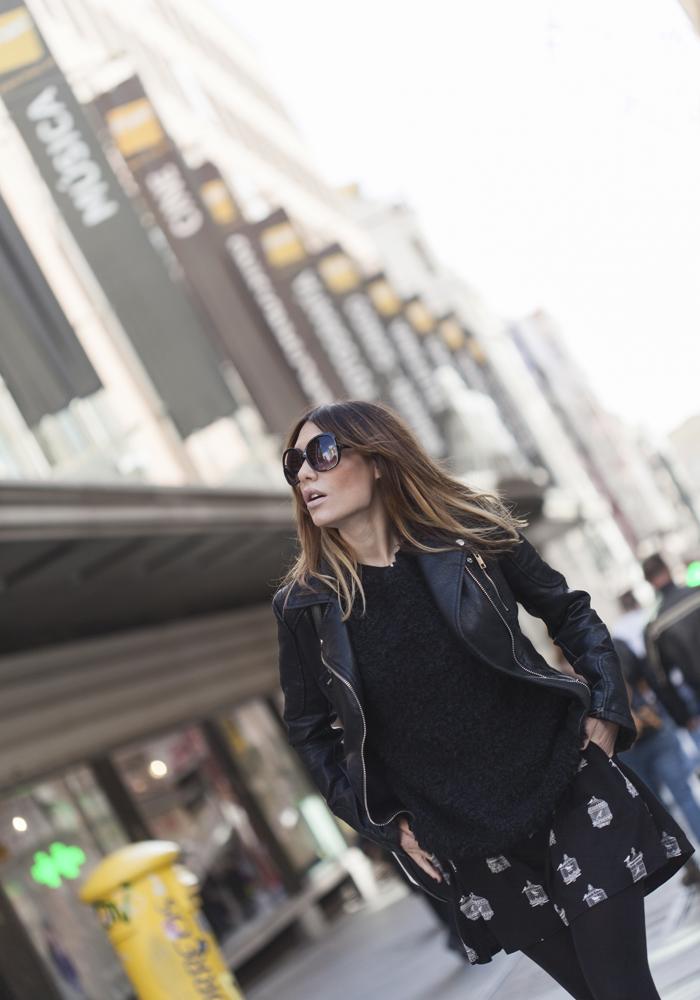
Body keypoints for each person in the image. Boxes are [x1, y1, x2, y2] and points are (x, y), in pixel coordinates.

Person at [272, 400, 694, 1000]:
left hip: (565, 786)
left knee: (622, 989)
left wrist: (605, 709)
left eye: (322, 454)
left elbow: (569, 612)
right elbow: (312, 733)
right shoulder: (306, 608)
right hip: (469, 839)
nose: (306, 474)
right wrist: (389, 826)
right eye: (296, 464)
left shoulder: (471, 534)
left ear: (380, 461)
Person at [642, 553, 700, 744]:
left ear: (649, 582)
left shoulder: (654, 627)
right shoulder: (696, 594)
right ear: (668, 569)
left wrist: (683, 717)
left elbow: (660, 679)